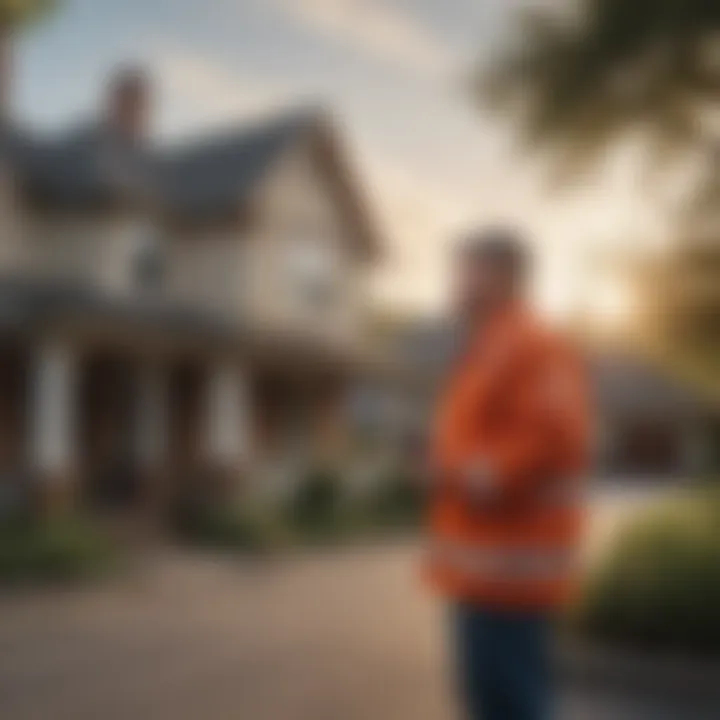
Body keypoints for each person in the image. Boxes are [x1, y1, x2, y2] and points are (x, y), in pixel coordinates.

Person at [424, 228, 591, 720]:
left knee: (512, 704)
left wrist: (458, 475)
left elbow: (553, 440)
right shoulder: (490, 348)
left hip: (511, 570)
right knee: (492, 702)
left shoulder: (532, 345)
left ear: (501, 276)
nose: (453, 282)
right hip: (485, 570)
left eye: (464, 270)